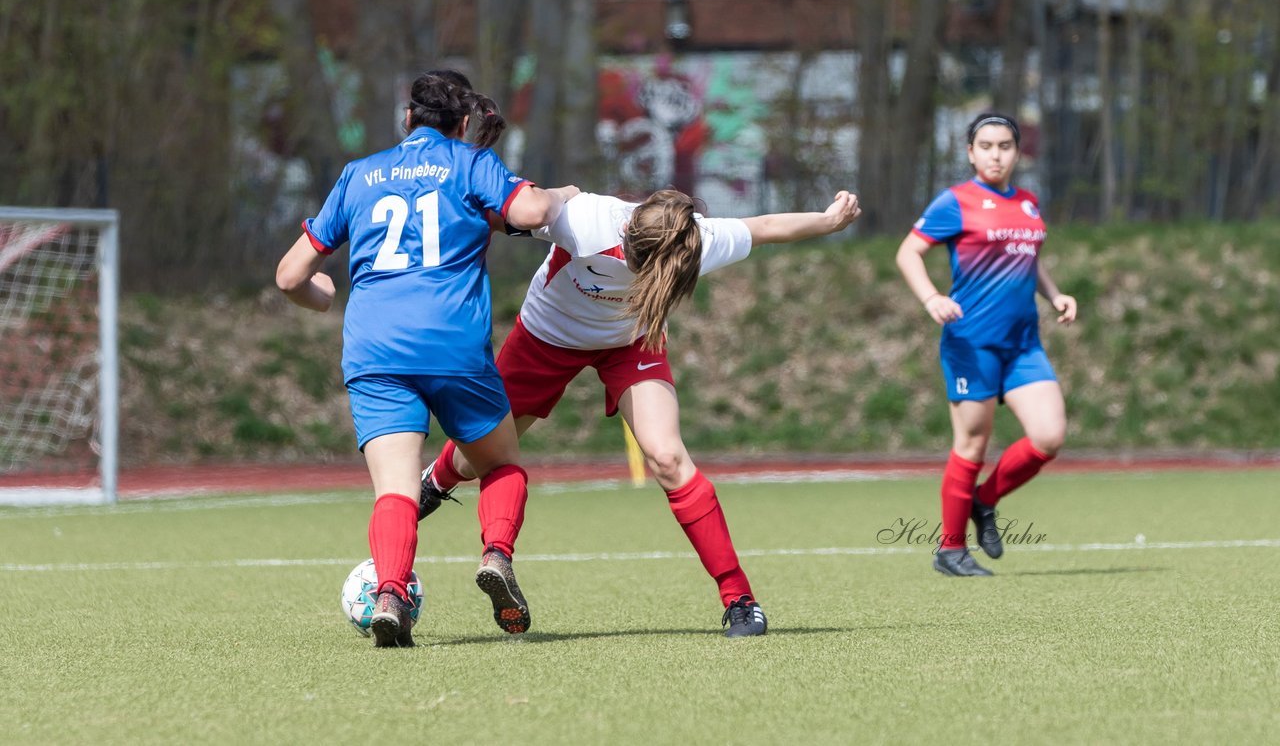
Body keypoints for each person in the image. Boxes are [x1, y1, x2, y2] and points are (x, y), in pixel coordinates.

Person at [418, 187, 862, 637]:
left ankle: (739, 598)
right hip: (544, 338)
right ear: (627, 233)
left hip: (630, 346)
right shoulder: (585, 221)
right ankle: (435, 483)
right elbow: (519, 207)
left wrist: (828, 221)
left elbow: (764, 227)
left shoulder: (692, 240)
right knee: (479, 457)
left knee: (668, 458)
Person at [275, 71, 577, 647]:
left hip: (375, 349)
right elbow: (533, 212)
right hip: (452, 344)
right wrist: (566, 195)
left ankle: (391, 592)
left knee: (396, 490)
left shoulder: (358, 174)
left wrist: (322, 298)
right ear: (465, 123)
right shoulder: (470, 162)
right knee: (501, 464)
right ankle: (495, 556)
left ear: (407, 118)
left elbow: (290, 276)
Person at [895, 112, 1077, 577]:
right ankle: (950, 550)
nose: (996, 154)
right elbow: (908, 251)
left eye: (1005, 146)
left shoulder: (1029, 203)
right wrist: (932, 297)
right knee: (972, 444)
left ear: (1018, 152)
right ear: (971, 152)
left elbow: (1027, 259)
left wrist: (1055, 295)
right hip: (971, 342)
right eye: (986, 146)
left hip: (1022, 344)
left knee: (1049, 436)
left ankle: (984, 500)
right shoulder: (955, 201)